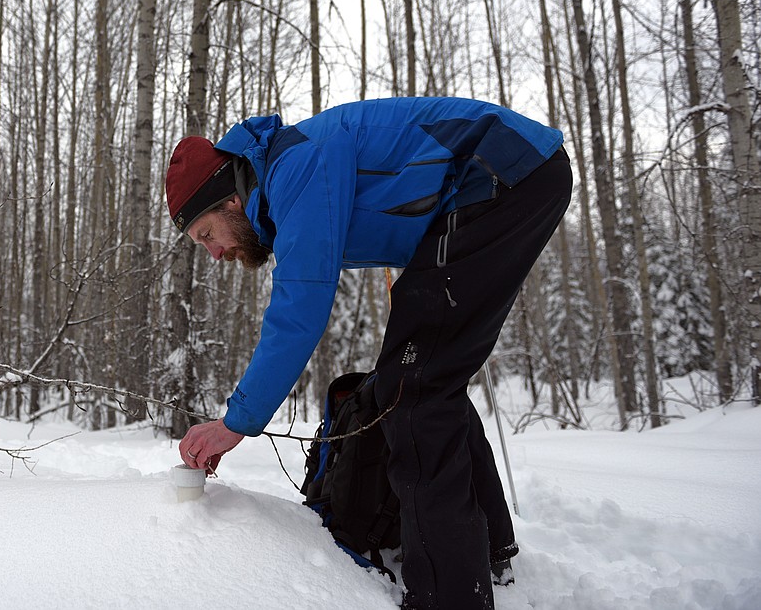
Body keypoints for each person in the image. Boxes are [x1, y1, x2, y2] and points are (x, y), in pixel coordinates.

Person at [166, 97, 571, 610]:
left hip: (503, 174)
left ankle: (450, 598)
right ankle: (487, 551)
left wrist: (237, 422)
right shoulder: (288, 174)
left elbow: (299, 311)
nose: (216, 252)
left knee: (415, 389)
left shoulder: (294, 166)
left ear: (230, 201)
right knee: (419, 376)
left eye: (207, 235)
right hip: (491, 187)